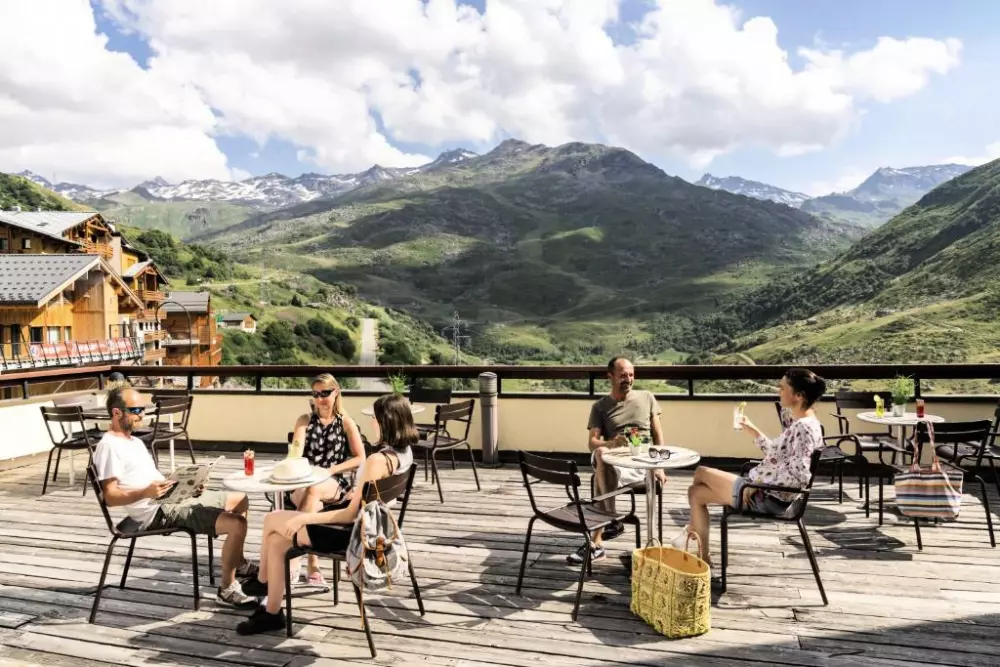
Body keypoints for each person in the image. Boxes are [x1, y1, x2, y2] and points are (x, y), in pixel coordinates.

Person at [236, 393, 417, 635]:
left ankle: (264, 583)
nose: (372, 422)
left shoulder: (376, 460)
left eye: (375, 418)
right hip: (374, 530)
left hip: (351, 536)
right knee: (277, 541)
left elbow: (349, 515)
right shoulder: (404, 454)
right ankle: (271, 611)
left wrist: (305, 517)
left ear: (386, 421)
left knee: (272, 519)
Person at [92, 386, 259, 607]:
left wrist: (188, 486)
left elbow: (152, 479)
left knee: (241, 500)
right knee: (237, 524)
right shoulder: (109, 446)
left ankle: (237, 562)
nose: (142, 414)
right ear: (117, 413)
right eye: (136, 409)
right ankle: (227, 589)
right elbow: (111, 497)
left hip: (171, 499)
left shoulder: (134, 442)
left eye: (144, 408)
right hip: (158, 512)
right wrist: (146, 493)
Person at [678, 368, 826, 565]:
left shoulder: (803, 428)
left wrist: (758, 482)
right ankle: (702, 558)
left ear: (798, 396)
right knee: (695, 493)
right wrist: (754, 431)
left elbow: (799, 476)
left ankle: (690, 536)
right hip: (768, 492)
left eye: (782, 388)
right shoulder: (807, 423)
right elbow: (778, 455)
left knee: (701, 472)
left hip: (766, 497)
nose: (778, 391)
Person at [569, 356, 665, 565]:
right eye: (622, 375)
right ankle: (612, 516)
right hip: (612, 457)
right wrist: (611, 442)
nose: (628, 379)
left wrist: (659, 466)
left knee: (598, 480)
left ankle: (597, 543)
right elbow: (592, 442)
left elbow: (658, 437)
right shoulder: (600, 406)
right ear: (610, 376)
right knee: (602, 455)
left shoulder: (647, 397)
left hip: (641, 461)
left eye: (631, 375)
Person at [284, 374, 365, 586]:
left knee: (314, 491)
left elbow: (360, 457)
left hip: (334, 481)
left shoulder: (346, 422)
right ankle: (313, 561)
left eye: (325, 393)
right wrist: (295, 455)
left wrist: (332, 470)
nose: (320, 399)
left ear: (336, 392)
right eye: (316, 394)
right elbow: (297, 450)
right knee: (312, 497)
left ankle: (293, 559)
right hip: (305, 480)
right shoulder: (304, 420)